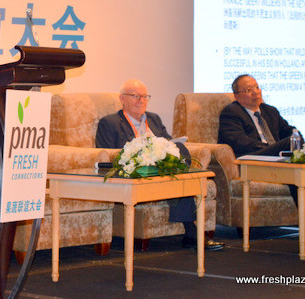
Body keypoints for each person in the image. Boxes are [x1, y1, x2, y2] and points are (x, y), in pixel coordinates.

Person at [96, 79, 224, 251]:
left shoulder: (154, 119)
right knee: (179, 180)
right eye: (135, 96)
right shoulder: (109, 122)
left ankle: (192, 233)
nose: (141, 100)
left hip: (161, 171)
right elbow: (108, 155)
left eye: (145, 96)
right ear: (122, 98)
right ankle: (192, 234)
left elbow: (168, 142)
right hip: (136, 173)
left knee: (180, 151)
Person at [218, 74, 305, 241]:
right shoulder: (231, 113)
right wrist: (270, 148)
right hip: (252, 159)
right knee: (289, 144)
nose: (256, 92)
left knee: (295, 162)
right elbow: (239, 142)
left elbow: (290, 130)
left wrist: (294, 137)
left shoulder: (269, 111)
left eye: (257, 87)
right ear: (237, 96)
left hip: (276, 160)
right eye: (249, 90)